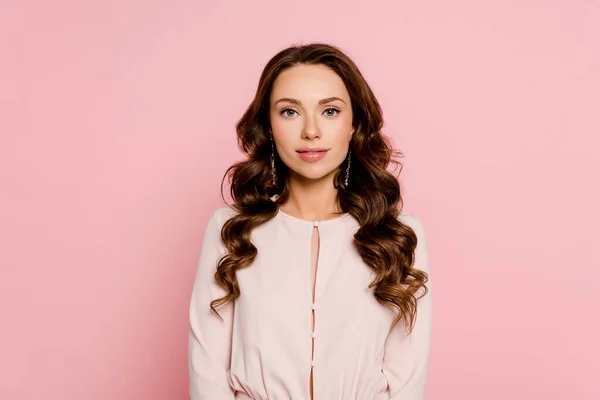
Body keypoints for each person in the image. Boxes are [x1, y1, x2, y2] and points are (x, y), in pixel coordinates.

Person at [188, 43, 432, 400]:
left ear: (354, 125)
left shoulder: (398, 236)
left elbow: (407, 378)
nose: (311, 131)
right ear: (269, 127)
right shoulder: (231, 231)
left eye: (330, 111)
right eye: (290, 112)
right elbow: (206, 370)